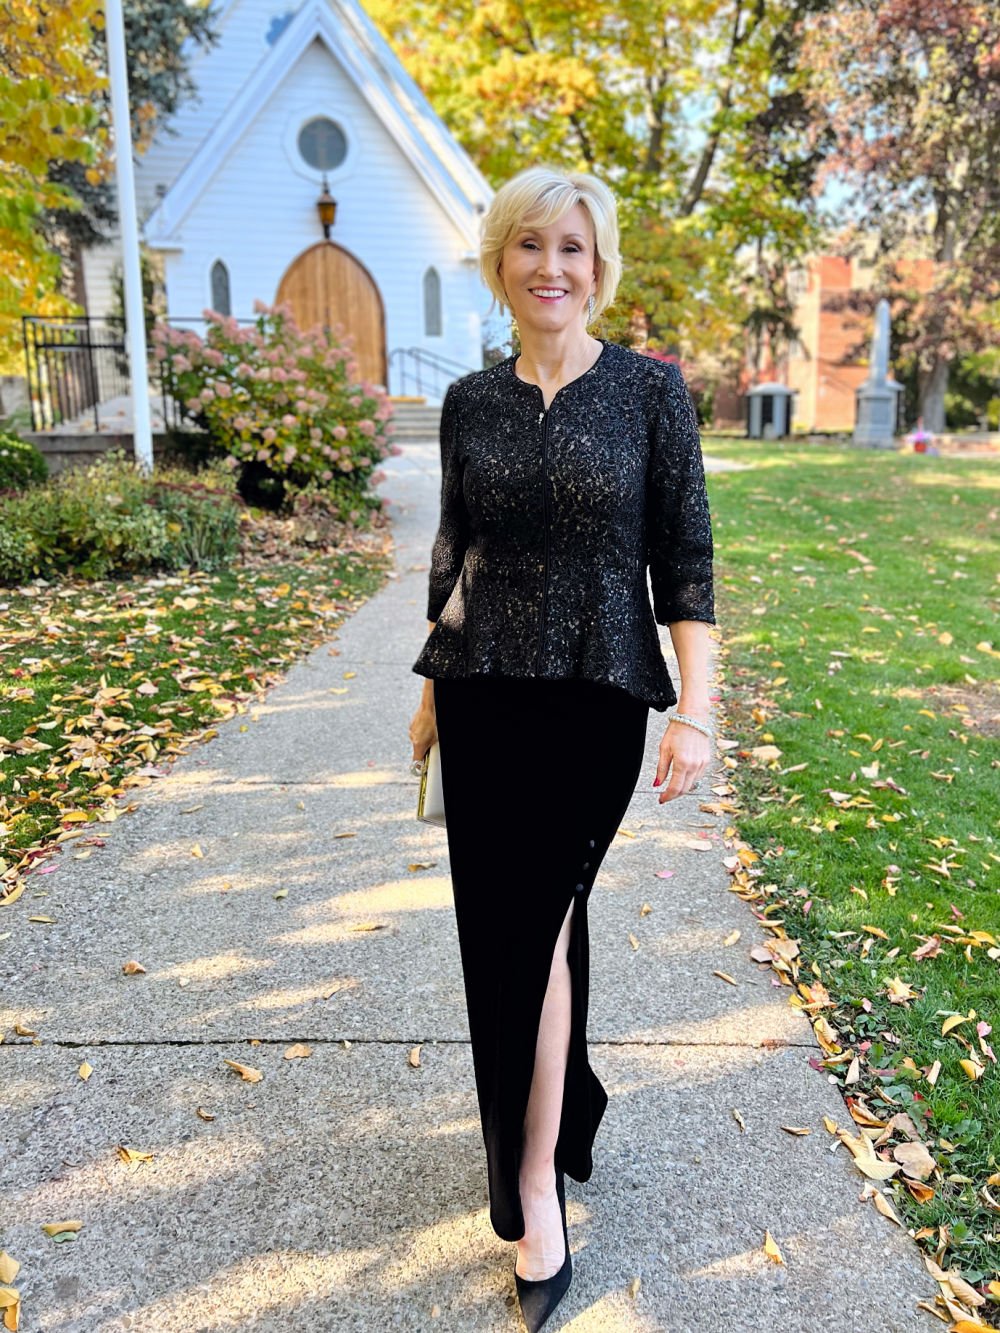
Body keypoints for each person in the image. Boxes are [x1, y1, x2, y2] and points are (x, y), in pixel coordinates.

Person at [407, 164, 715, 1331]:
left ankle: (531, 1181)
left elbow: (685, 559)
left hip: (596, 697)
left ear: (599, 267)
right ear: (501, 261)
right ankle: (554, 1122)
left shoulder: (648, 392)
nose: (551, 266)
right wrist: (428, 692)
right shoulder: (470, 403)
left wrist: (696, 707)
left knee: (534, 927)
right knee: (511, 934)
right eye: (530, 244)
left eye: (571, 247)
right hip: (479, 693)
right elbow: (453, 553)